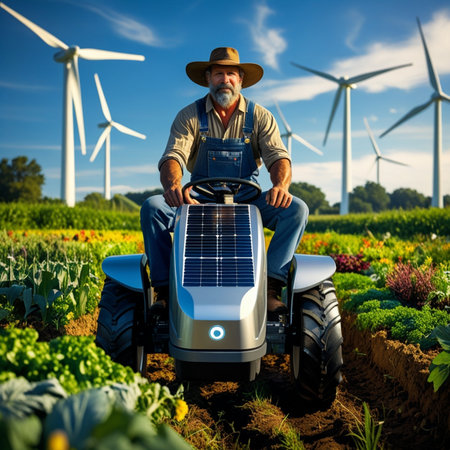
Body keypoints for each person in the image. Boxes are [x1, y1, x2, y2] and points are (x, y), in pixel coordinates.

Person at [140, 47, 309, 319]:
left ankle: (270, 289)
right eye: (219, 73)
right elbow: (173, 155)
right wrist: (173, 185)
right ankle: (164, 291)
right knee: (153, 207)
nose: (225, 79)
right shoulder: (190, 115)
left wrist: (280, 186)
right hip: (198, 200)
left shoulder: (260, 117)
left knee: (296, 209)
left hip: (248, 199)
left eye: (231, 74)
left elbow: (278, 157)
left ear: (240, 80)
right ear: (208, 78)